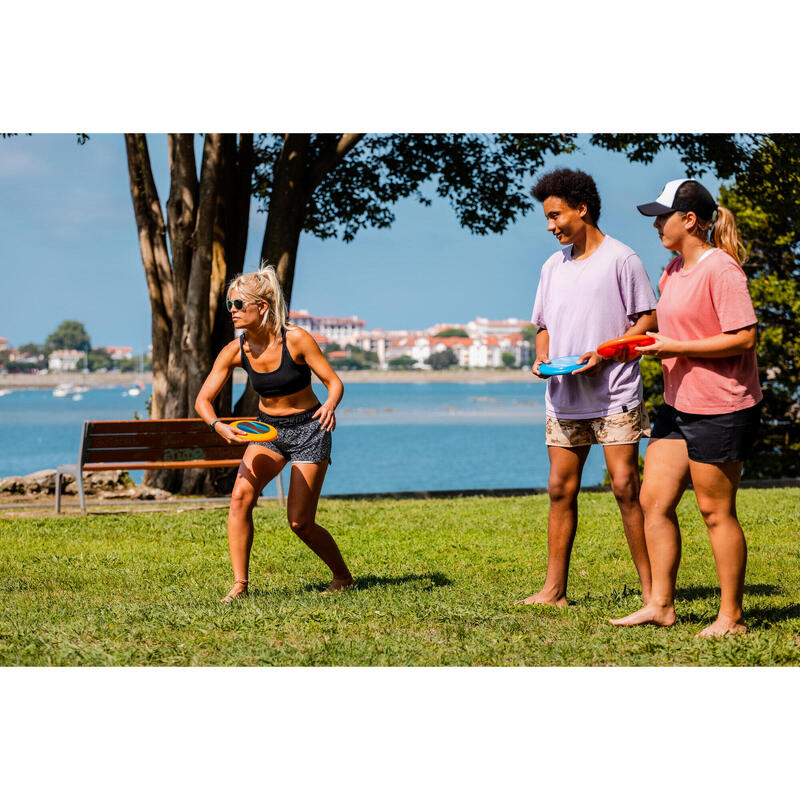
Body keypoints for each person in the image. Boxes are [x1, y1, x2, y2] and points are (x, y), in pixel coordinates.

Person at [610, 179, 761, 637]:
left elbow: (744, 337)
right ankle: (660, 604)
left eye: (663, 216)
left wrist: (678, 346)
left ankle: (731, 617)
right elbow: (673, 330)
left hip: (721, 406)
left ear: (689, 220)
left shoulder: (722, 270)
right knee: (653, 501)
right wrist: (639, 343)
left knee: (715, 511)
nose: (657, 224)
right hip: (677, 404)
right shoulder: (672, 271)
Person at [518, 168, 657, 607]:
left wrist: (606, 354)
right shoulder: (551, 266)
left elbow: (647, 322)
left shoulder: (622, 259)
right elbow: (542, 326)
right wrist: (543, 359)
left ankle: (653, 592)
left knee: (624, 487)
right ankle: (554, 590)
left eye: (555, 215)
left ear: (583, 210)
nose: (550, 225)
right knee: (560, 489)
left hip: (615, 392)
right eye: (547, 217)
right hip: (563, 398)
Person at [195, 263, 354, 602]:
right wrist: (217, 425)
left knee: (299, 523)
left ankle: (342, 576)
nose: (233, 312)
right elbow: (203, 400)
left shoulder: (295, 339)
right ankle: (240, 585)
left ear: (261, 307)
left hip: (311, 429)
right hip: (269, 432)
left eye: (239, 305)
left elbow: (333, 382)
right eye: (230, 305)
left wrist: (329, 405)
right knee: (239, 498)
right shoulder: (235, 350)